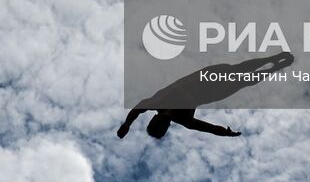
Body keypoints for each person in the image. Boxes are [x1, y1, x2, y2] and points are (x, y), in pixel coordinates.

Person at [117, 50, 295, 140]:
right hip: (214, 92)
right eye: (162, 128)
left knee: (238, 69)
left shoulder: (156, 102)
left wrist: (127, 124)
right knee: (244, 81)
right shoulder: (183, 119)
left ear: (154, 120)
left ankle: (272, 59)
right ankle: (276, 67)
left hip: (203, 78)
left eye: (158, 125)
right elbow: (207, 128)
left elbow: (137, 108)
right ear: (166, 127)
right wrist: (226, 133)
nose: (162, 124)